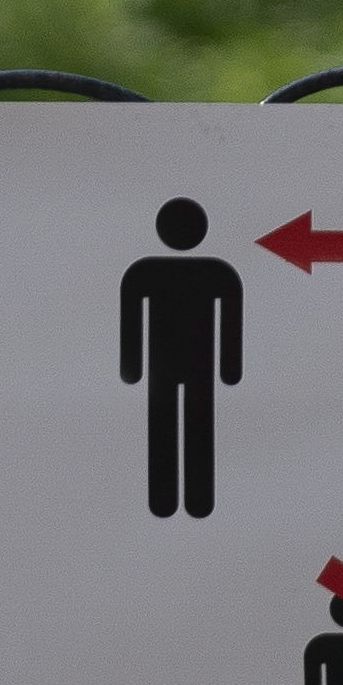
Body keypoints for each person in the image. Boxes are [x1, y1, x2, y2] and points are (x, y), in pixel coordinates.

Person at [116, 198, 244, 519]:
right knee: (175, 425)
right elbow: (131, 317)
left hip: (177, 366)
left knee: (185, 425)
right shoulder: (214, 272)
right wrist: (230, 368)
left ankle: (185, 500)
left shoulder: (148, 271)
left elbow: (231, 319)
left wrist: (132, 368)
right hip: (185, 366)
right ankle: (174, 500)